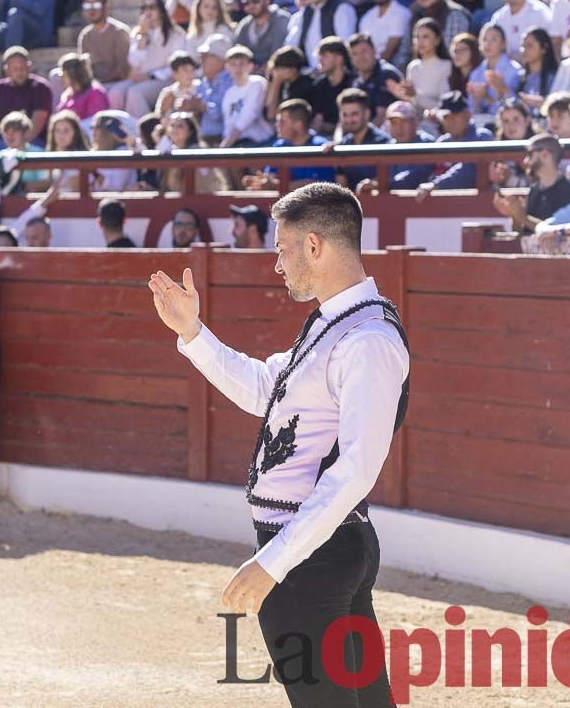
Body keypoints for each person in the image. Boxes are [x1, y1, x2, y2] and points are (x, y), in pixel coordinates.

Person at [149, 181, 407, 708]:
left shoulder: (366, 338)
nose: (278, 264)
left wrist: (276, 560)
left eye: (283, 249)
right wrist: (193, 333)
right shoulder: (336, 323)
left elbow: (357, 468)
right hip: (319, 547)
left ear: (315, 246)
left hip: (312, 553)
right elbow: (264, 389)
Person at [409, 90, 494, 194]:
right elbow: (423, 169)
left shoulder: (482, 137)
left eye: (455, 115)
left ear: (467, 114)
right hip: (444, 205)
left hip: (476, 205)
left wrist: (436, 184)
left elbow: (468, 172)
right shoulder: (442, 142)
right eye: (446, 117)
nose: (450, 121)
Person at [121, 0, 188, 117]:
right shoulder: (137, 33)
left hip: (164, 80)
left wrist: (151, 76)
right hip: (139, 78)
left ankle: (145, 130)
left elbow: (176, 66)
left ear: (161, 10)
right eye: (144, 7)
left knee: (134, 93)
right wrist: (143, 38)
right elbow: (134, 63)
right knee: (116, 92)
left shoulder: (175, 34)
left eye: (152, 7)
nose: (147, 11)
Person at [490, 133, 570, 231]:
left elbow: (556, 231)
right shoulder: (534, 190)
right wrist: (514, 215)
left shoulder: (566, 190)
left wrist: (523, 217)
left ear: (544, 154)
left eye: (530, 155)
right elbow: (523, 232)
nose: (526, 161)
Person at [0, 45, 52, 148]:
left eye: (22, 68)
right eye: (15, 69)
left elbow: (36, 125)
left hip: (34, 142)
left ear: (29, 67)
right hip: (4, 142)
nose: (19, 72)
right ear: (7, 70)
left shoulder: (41, 88)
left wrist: (18, 147)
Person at [286, 0, 356, 69]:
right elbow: (292, 44)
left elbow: (345, 48)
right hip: (309, 73)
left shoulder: (342, 9)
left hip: (335, 74)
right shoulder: (305, 12)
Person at [77, 0, 131, 111]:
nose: (91, 10)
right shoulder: (85, 35)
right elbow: (84, 67)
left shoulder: (120, 32)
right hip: (94, 83)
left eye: (96, 5)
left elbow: (123, 69)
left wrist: (99, 82)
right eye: (87, 6)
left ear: (106, 6)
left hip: (116, 83)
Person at [356, 0, 411, 72]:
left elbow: (390, 50)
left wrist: (371, 72)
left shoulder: (401, 13)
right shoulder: (366, 17)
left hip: (392, 70)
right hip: (369, 69)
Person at [221, 44, 273, 147]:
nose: (237, 68)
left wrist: (226, 145)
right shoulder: (229, 93)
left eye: (241, 64)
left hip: (261, 142)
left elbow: (249, 114)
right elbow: (228, 123)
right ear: (227, 67)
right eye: (233, 64)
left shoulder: (257, 83)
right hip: (238, 143)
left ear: (250, 66)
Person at [234, 0, 290, 69]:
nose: (251, 5)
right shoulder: (244, 25)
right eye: (246, 2)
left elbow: (278, 55)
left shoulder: (281, 20)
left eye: (255, 1)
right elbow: (238, 55)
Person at [348, 32, 402, 126]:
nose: (360, 57)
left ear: (374, 50)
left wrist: (360, 139)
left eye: (364, 51)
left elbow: (381, 118)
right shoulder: (354, 78)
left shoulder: (387, 74)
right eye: (355, 54)